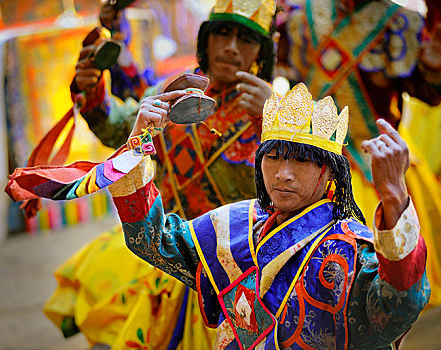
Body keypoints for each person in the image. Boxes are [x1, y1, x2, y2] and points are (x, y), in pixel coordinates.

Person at [103, 82, 430, 348]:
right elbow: (152, 239)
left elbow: (399, 306)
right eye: (272, 157)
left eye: (301, 160)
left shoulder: (349, 248)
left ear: (330, 173)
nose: (283, 174)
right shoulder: (231, 226)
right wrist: (138, 143)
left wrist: (394, 196)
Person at [42, 0, 279, 347]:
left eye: (246, 38)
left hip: (237, 271)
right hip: (166, 250)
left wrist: (273, 119)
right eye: (223, 33)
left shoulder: (277, 110)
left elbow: (298, 192)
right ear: (206, 40)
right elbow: (115, 128)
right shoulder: (173, 94)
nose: (231, 47)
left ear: (262, 51)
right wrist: (91, 89)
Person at [276, 0, 441, 307]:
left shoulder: (399, 23)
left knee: (389, 287)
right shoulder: (298, 20)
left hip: (378, 168)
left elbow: (429, 92)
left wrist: (434, 66)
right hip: (310, 164)